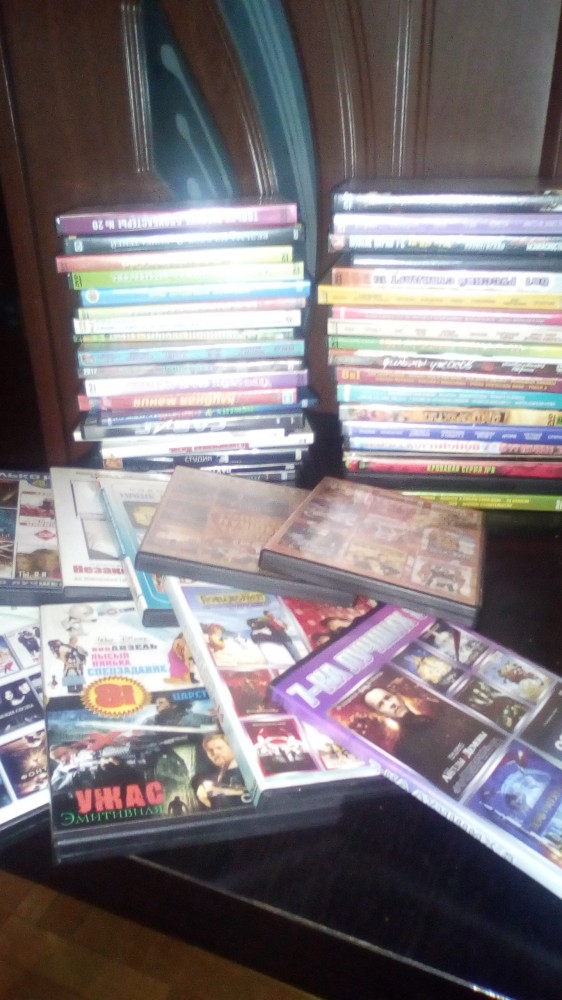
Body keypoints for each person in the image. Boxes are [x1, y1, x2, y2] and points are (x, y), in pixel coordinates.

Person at [192, 733, 246, 809]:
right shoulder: (222, 772)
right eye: (209, 750)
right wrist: (204, 798)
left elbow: (249, 795)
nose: (214, 753)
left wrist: (219, 791)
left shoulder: (243, 770)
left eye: (219, 748)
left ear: (232, 747)